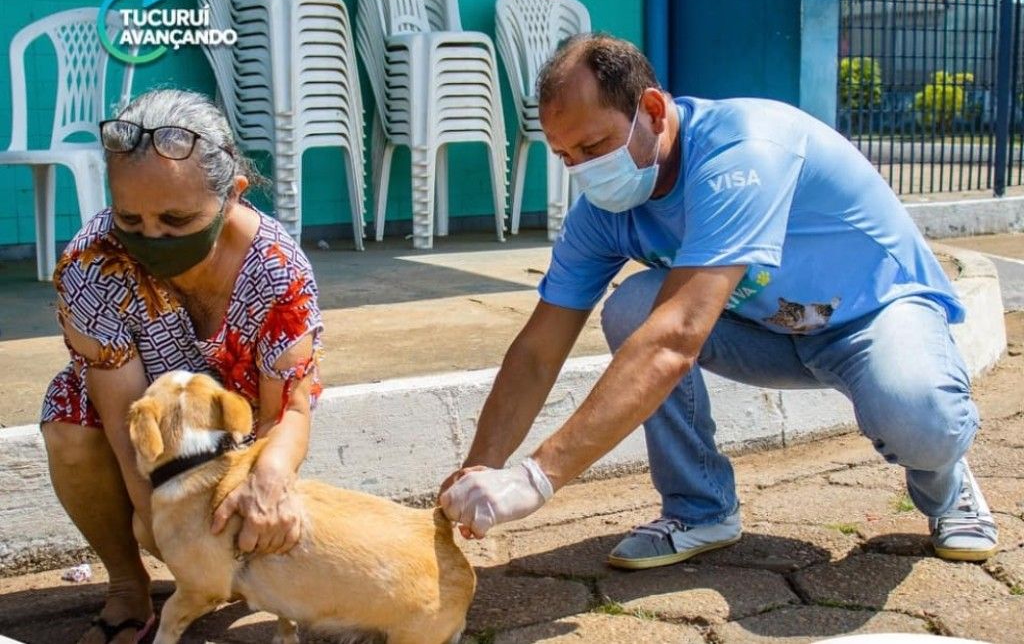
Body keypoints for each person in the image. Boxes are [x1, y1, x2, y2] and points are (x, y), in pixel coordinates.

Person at [440, 33, 998, 570]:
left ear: (654, 111)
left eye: (594, 147)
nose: (585, 171)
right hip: (773, 330)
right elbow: (539, 350)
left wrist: (535, 479)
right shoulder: (604, 215)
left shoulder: (742, 150)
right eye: (566, 157)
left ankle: (946, 484)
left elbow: (676, 341)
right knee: (633, 308)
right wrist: (477, 472)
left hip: (873, 316)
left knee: (919, 416)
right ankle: (701, 510)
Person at [40, 89, 323, 644]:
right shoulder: (93, 263)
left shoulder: (275, 268)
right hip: (150, 422)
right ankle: (126, 588)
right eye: (130, 217)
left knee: (253, 519)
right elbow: (127, 429)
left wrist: (267, 481)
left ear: (231, 196)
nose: (151, 238)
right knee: (69, 426)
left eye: (176, 218)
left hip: (234, 433)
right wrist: (164, 524)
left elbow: (287, 409)